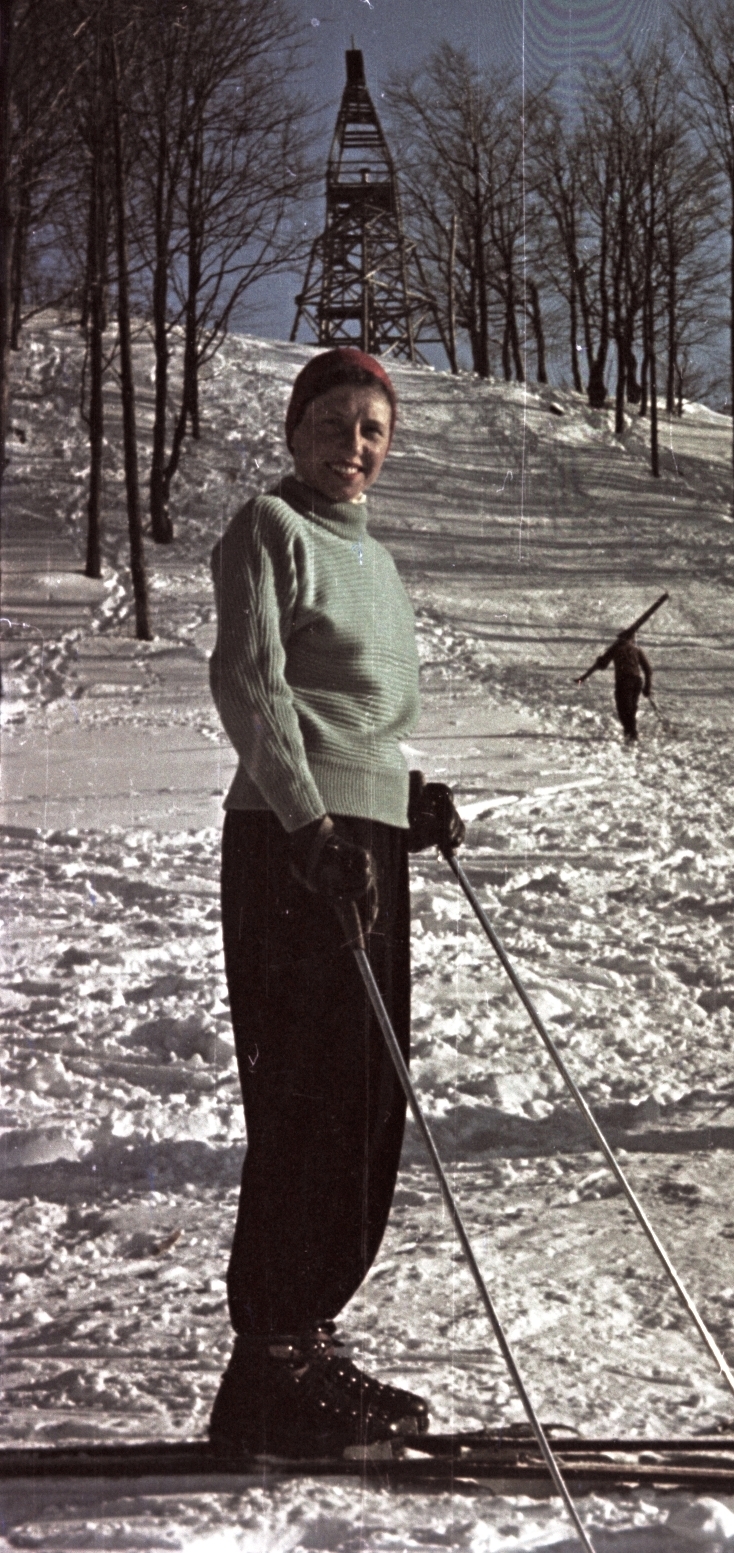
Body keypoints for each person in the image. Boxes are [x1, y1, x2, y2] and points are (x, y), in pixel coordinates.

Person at [206, 347, 465, 1459]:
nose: (350, 445)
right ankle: (268, 1362)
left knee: (365, 1103)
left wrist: (404, 796)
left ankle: (303, 1339)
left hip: (357, 842)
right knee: (307, 1097)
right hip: (288, 839)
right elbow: (254, 685)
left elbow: (357, 712)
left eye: (371, 429)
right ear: (293, 429)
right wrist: (313, 825)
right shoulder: (269, 528)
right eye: (331, 422)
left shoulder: (381, 560)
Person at [607, 638, 652, 742]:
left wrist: (600, 660)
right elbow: (648, 670)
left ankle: (631, 734)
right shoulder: (636, 649)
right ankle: (630, 733)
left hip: (623, 681)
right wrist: (647, 686)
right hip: (636, 681)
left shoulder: (615, 649)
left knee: (623, 709)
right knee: (630, 708)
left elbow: (603, 664)